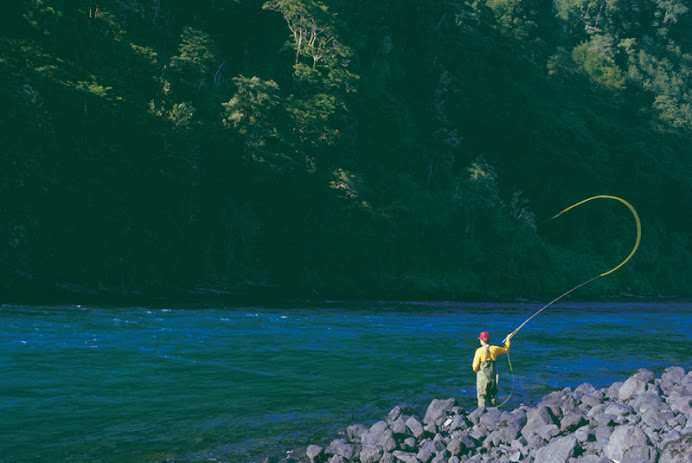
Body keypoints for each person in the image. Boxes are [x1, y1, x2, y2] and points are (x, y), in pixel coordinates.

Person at [472, 331, 512, 407]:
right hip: (492, 377)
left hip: (482, 379)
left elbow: (475, 367)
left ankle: (482, 413)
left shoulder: (479, 351)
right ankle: (493, 412)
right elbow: (506, 349)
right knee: (492, 395)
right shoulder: (495, 349)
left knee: (482, 396)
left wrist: (476, 370)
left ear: (481, 340)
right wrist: (508, 339)